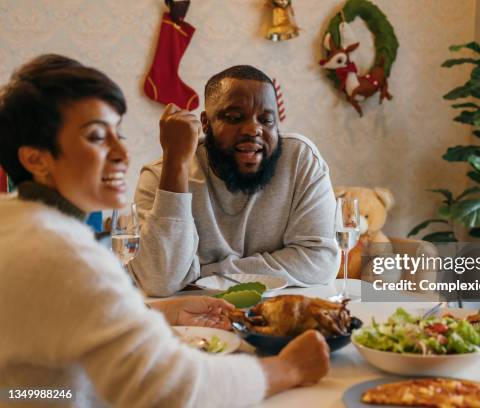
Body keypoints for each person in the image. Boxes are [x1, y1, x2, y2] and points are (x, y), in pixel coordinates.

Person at [0, 54, 330, 407]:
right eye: (97, 137)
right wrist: (289, 368)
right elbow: (173, 387)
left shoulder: (19, 224)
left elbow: (49, 350)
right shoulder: (64, 256)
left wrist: (160, 312)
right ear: (36, 159)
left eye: (118, 133)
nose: (121, 151)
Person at [130, 65, 339, 296]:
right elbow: (159, 281)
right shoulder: (163, 175)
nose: (253, 129)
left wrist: (206, 274)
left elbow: (320, 261)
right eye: (234, 117)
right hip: (193, 319)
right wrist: (176, 163)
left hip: (281, 312)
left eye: (266, 120)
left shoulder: (299, 160)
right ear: (205, 123)